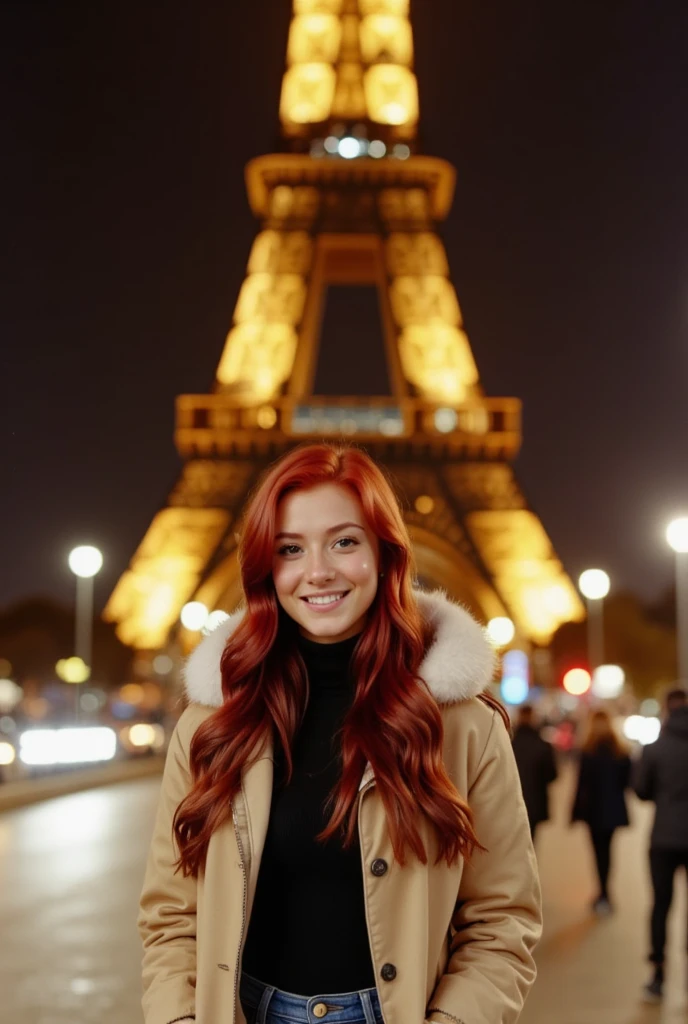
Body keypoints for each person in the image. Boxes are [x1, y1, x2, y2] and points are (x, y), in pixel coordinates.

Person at [138, 444, 542, 1024]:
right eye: (290, 549)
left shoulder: (465, 726)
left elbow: (504, 917)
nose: (318, 570)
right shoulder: (210, 723)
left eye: (345, 541)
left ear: (385, 552)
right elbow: (170, 914)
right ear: (264, 567)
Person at [634, 687, 688, 1003]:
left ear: (667, 710)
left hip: (664, 837)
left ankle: (658, 976)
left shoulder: (655, 748)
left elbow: (641, 790)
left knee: (661, 906)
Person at [571, 708, 631, 915]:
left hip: (593, 810)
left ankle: (602, 892)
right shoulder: (621, 751)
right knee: (609, 851)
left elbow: (580, 785)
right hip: (614, 810)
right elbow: (628, 782)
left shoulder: (588, 750)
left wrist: (574, 813)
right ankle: (606, 892)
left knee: (597, 853)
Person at [512, 704, 557, 841]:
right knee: (531, 840)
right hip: (535, 802)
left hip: (512, 801)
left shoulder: (509, 744)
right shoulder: (542, 745)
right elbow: (552, 775)